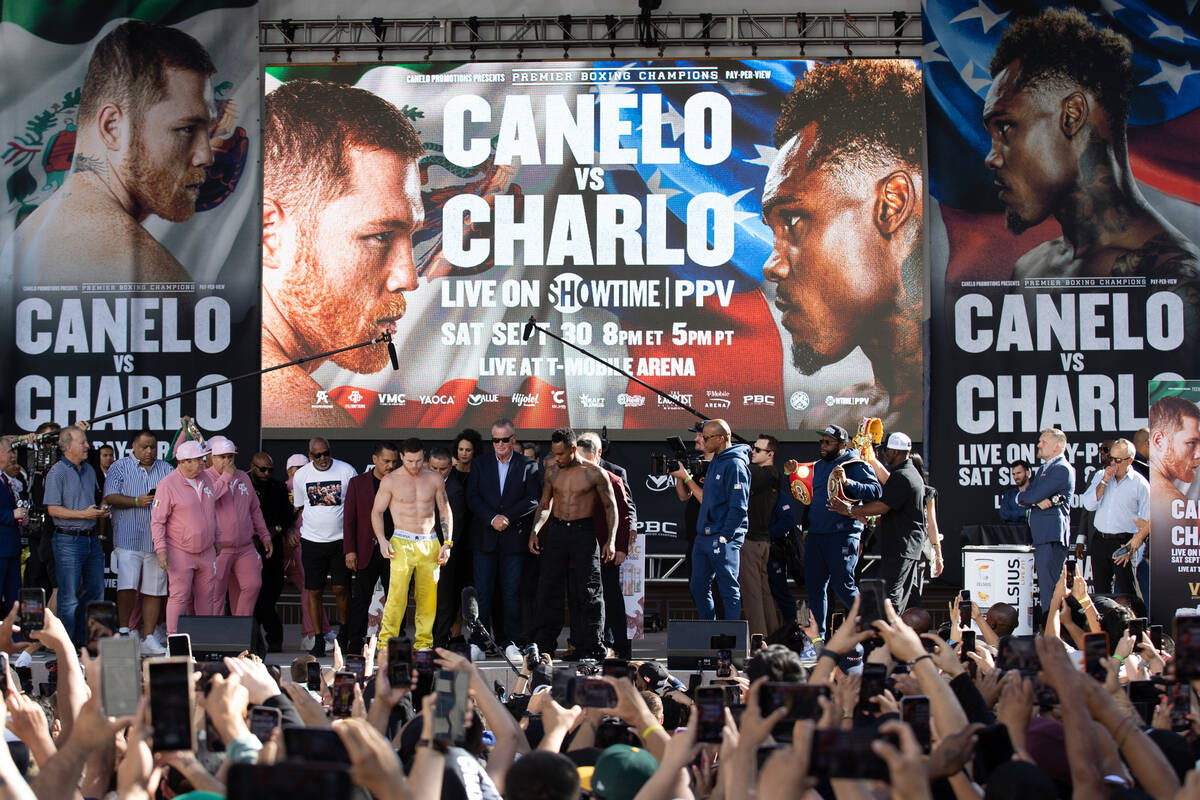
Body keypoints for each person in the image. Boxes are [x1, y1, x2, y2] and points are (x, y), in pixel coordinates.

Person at [984, 9, 1200, 287]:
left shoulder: (1178, 281)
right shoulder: (1031, 270)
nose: (992, 158)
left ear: (1072, 115)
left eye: (1005, 127)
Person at [762, 60, 923, 430]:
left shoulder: (988, 402)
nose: (772, 266)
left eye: (794, 219)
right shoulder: (829, 422)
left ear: (891, 203)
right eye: (772, 228)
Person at [261, 78, 425, 427]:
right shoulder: (312, 425)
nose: (408, 278)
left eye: (412, 237)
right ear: (269, 235)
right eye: (380, 236)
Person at [2, 21, 216, 284]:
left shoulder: (30, 235)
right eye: (186, 129)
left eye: (207, 130)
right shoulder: (155, 278)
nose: (206, 156)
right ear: (114, 128)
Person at [528, 428, 617, 660]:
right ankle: (544, 644)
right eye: (554, 453)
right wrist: (535, 531)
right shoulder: (552, 471)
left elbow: (611, 507)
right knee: (548, 588)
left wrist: (611, 540)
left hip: (583, 532)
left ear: (573, 449)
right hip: (557, 532)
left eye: (561, 454)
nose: (557, 458)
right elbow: (545, 504)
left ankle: (592, 646)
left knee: (589, 590)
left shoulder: (595, 473)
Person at [789, 424, 881, 636]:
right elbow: (806, 497)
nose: (823, 445)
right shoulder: (818, 465)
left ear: (842, 444)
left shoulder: (854, 464)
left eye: (828, 442)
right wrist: (792, 474)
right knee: (814, 589)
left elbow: (876, 491)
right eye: (821, 441)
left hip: (842, 535)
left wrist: (848, 482)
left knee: (844, 587)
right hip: (816, 536)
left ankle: (875, 630)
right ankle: (815, 639)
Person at [466, 418, 541, 649]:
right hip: (485, 538)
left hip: (513, 539)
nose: (499, 444)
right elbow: (472, 497)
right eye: (495, 439)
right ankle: (480, 642)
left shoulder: (528, 465)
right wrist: (492, 518)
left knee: (511, 594)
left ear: (513, 439)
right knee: (483, 593)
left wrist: (506, 517)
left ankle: (512, 642)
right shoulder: (479, 464)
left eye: (504, 440)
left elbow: (533, 498)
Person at [374, 439, 452, 650]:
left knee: (428, 599)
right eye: (409, 461)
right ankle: (385, 643)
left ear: (423, 456)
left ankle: (424, 645)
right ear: (402, 457)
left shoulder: (434, 478)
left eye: (418, 460)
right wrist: (382, 539)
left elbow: (445, 510)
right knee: (396, 596)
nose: (414, 465)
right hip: (401, 540)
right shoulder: (390, 480)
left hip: (429, 541)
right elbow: (377, 512)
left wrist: (447, 542)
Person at [835, 432, 925, 612]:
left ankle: (889, 637)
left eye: (885, 450)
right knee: (895, 594)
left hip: (902, 547)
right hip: (906, 546)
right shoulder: (908, 473)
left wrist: (850, 510)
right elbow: (894, 511)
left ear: (895, 452)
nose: (883, 454)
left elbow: (882, 506)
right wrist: (868, 518)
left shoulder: (903, 476)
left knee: (890, 596)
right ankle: (893, 636)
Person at [101, 430, 171, 654]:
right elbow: (109, 496)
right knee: (127, 587)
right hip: (128, 538)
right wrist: (135, 500)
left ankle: (148, 637)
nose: (149, 451)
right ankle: (125, 631)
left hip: (155, 541)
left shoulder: (166, 469)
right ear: (133, 446)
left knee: (154, 589)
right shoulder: (119, 467)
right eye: (144, 447)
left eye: (153, 446)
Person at [150, 439, 230, 634]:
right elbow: (157, 521)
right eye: (197, 460)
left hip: (206, 550)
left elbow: (212, 513)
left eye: (202, 459)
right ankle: (173, 640)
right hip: (179, 550)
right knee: (179, 596)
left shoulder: (206, 479)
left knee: (206, 596)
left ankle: (202, 639)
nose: (202, 463)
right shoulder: (167, 484)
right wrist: (161, 550)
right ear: (183, 462)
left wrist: (217, 537)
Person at [42, 425, 109, 647]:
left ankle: (85, 645)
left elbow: (92, 500)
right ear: (68, 447)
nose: (87, 446)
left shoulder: (90, 470)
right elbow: (53, 510)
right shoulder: (57, 472)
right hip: (67, 539)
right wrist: (84, 514)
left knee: (96, 591)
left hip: (90, 538)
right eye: (83, 442)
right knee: (68, 598)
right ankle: (66, 648)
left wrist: (100, 511)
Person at [291, 437, 358, 656]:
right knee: (314, 591)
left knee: (341, 589)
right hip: (312, 541)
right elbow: (300, 506)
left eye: (326, 453)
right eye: (317, 455)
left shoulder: (346, 470)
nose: (322, 459)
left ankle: (345, 634)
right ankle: (318, 638)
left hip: (340, 541)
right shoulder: (301, 475)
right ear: (310, 456)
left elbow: (355, 506)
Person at [576, 432, 633, 660]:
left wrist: (620, 547)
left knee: (611, 598)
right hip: (581, 549)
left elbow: (625, 515)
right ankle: (588, 646)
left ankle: (621, 648)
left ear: (597, 454)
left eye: (584, 458)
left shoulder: (613, 478)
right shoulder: (571, 477)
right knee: (584, 599)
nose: (580, 464)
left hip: (607, 550)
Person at [687, 419, 751, 621]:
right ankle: (710, 631)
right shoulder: (716, 459)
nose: (702, 441)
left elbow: (739, 507)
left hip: (723, 538)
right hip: (703, 536)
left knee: (728, 589)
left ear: (721, 439)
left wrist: (725, 536)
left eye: (706, 438)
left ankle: (731, 642)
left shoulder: (735, 464)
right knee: (697, 587)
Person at [205, 437, 272, 617]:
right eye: (222, 457)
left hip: (244, 546)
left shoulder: (243, 476)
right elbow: (209, 499)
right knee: (216, 593)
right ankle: (214, 639)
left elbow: (255, 509)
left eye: (230, 457)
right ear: (212, 458)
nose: (227, 461)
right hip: (219, 548)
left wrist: (265, 535)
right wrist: (226, 477)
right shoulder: (205, 477)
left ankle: (240, 631)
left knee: (252, 584)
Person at [343, 442, 397, 654]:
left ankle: (395, 643)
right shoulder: (357, 483)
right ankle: (355, 643)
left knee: (395, 599)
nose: (390, 466)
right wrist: (350, 550)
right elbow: (349, 520)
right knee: (361, 600)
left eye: (394, 461)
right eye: (386, 461)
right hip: (365, 550)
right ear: (374, 459)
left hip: (394, 551)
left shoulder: (401, 481)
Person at [1079, 438, 1148, 597]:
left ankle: (1134, 621)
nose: (1113, 463)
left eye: (1118, 460)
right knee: (1101, 592)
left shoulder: (1140, 484)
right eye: (1111, 458)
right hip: (1100, 539)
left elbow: (1148, 521)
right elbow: (1089, 505)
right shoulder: (1100, 475)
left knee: (1127, 592)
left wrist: (1132, 548)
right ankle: (1104, 622)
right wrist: (1104, 481)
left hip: (1123, 542)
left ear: (1130, 460)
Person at [1016, 428, 1075, 611]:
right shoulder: (1043, 468)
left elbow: (1030, 496)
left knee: (1050, 589)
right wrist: (1030, 499)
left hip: (1051, 536)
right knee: (1046, 587)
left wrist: (1030, 499)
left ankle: (1053, 633)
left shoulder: (1061, 469)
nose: (1038, 445)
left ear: (1057, 447)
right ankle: (1051, 628)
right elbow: (1028, 496)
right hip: (1043, 537)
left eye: (1043, 442)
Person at [249, 451, 296, 652]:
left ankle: (274, 640)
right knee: (250, 597)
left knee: (269, 596)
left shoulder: (278, 487)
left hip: (272, 548)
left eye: (270, 469)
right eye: (262, 469)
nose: (266, 473)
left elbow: (288, 515)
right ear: (252, 466)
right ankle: (253, 639)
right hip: (246, 546)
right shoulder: (242, 482)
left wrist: (275, 530)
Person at [429, 446, 471, 648]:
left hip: (445, 552)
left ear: (450, 468)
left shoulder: (455, 490)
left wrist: (446, 547)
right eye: (434, 468)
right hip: (422, 549)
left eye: (443, 469)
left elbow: (458, 526)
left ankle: (439, 641)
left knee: (445, 600)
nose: (438, 473)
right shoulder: (422, 482)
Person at [743, 434, 781, 637]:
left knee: (752, 594)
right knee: (763, 592)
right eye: (753, 448)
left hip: (752, 541)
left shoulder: (764, 473)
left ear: (770, 454)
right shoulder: (768, 474)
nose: (752, 452)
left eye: (757, 450)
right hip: (761, 541)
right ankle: (772, 638)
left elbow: (743, 470)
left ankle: (759, 640)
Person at [0, 437, 25, 614]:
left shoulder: (8, 480)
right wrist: (11, 515)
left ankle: (15, 639)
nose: (13, 456)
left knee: (14, 601)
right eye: (10, 451)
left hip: (12, 548)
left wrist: (22, 517)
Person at [999, 460, 1031, 525]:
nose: (1016, 477)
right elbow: (1004, 514)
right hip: (1012, 533)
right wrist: (1025, 513)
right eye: (1013, 474)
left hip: (1032, 533)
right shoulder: (1009, 494)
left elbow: (1037, 515)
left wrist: (1014, 515)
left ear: (1028, 473)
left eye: (1019, 473)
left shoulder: (1037, 492)